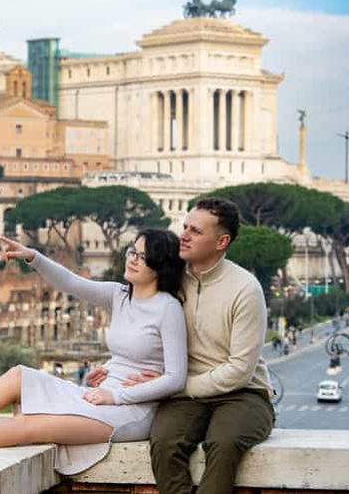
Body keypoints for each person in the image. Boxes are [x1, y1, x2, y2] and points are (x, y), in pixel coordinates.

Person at [0, 229, 188, 474]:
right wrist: (33, 257)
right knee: (19, 376)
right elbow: (71, 283)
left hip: (131, 412)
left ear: (160, 266)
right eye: (132, 252)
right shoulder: (119, 294)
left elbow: (175, 378)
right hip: (100, 394)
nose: (133, 259)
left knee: (31, 426)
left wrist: (116, 396)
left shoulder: (168, 308)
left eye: (142, 256)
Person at [90, 198, 274, 493]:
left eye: (195, 231)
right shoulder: (170, 279)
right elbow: (142, 328)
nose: (184, 235)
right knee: (164, 443)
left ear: (222, 241)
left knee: (223, 443)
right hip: (184, 397)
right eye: (185, 227)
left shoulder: (246, 289)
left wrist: (176, 386)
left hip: (243, 394)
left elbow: (240, 371)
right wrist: (114, 367)